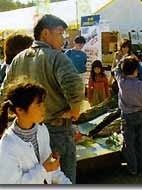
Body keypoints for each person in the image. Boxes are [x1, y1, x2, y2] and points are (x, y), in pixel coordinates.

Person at [0, 14, 84, 183]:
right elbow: (74, 84)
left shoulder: (18, 59)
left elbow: (4, 92)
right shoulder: (57, 57)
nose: (64, 38)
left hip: (28, 130)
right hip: (57, 130)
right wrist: (75, 110)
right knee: (61, 177)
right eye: (60, 33)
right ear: (45, 33)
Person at [0, 78, 71, 184]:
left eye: (43, 103)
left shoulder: (42, 130)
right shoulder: (7, 144)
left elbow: (52, 170)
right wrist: (43, 169)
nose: (43, 108)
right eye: (38, 104)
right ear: (19, 110)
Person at [114, 56, 142, 176]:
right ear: (136, 70)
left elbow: (116, 70)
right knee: (141, 141)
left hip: (127, 116)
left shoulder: (122, 82)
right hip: (140, 114)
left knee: (129, 143)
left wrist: (123, 59)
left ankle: (132, 168)